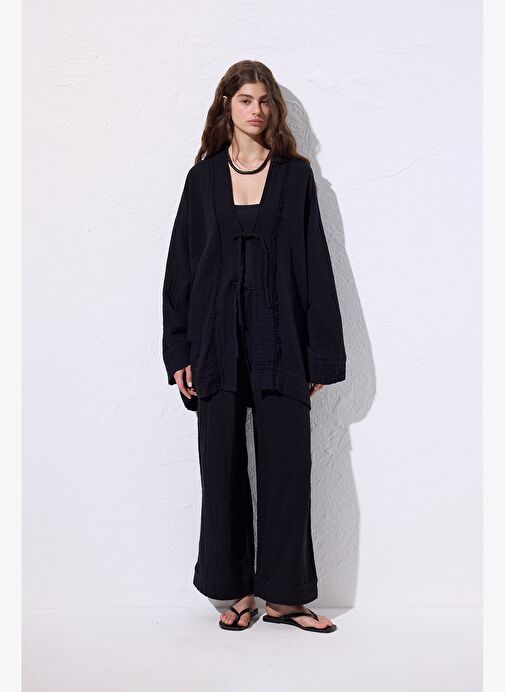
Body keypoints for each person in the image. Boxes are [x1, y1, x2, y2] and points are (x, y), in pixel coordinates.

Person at [162, 60, 346, 633]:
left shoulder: (295, 177)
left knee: (288, 466)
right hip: (214, 343)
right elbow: (180, 270)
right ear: (227, 106)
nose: (257, 110)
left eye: (265, 100)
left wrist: (321, 353)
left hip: (282, 342)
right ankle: (235, 590)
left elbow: (316, 266)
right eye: (246, 99)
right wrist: (178, 352)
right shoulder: (201, 180)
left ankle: (286, 598)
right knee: (220, 468)